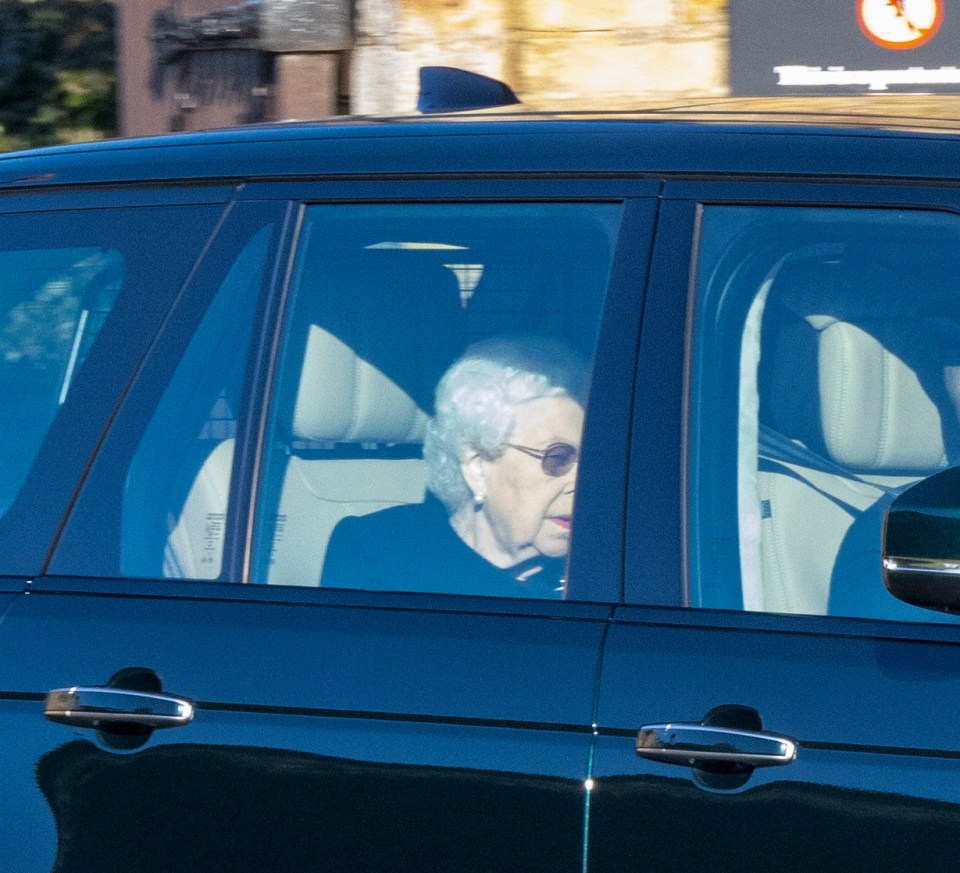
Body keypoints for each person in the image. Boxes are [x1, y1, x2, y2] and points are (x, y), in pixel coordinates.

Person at [320, 335, 588, 597]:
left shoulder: (601, 569)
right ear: (477, 465)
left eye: (592, 460)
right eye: (558, 457)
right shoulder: (377, 552)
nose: (584, 481)